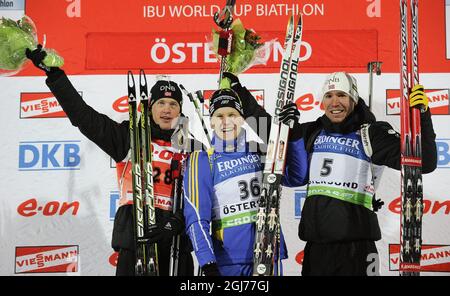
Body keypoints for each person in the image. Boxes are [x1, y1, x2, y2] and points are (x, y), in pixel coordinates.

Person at [25, 45, 196, 276]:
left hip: (176, 246)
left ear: (180, 110)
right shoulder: (129, 138)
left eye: (173, 104)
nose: (167, 110)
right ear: (150, 108)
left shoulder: (193, 149)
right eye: (161, 103)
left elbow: (203, 198)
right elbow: (84, 117)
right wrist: (55, 75)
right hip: (136, 243)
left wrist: (179, 222)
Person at [277, 71, 437, 276]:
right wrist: (287, 130)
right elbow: (292, 176)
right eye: (329, 96)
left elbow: (425, 163)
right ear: (322, 101)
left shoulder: (371, 133)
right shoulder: (312, 132)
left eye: (342, 95)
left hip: (357, 249)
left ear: (353, 98)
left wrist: (422, 115)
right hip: (316, 249)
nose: (335, 102)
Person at [182, 80, 307, 276]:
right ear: (212, 121)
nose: (226, 121)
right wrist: (207, 262)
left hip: (267, 254)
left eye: (233, 115)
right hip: (227, 263)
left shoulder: (258, 150)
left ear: (242, 118)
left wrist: (295, 134)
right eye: (220, 116)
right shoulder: (203, 159)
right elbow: (197, 217)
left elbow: (296, 177)